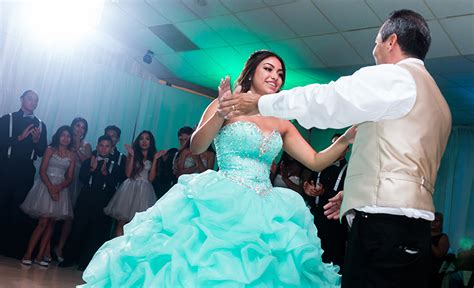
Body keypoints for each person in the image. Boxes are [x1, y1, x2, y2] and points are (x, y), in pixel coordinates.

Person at [81, 50, 355, 287]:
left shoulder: (282, 121)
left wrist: (344, 139)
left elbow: (316, 161)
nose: (276, 77)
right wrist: (221, 113)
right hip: (222, 198)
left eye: (280, 73)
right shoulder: (225, 105)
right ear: (251, 72)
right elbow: (197, 145)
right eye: (268, 69)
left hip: (265, 207)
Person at [221, 10, 452, 288]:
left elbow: (328, 100)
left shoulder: (396, 78)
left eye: (376, 43)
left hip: (384, 228)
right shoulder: (439, 101)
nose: (375, 51)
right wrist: (358, 191)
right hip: (411, 230)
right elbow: (406, 162)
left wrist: (261, 104)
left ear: (391, 41)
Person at [59, 135, 123, 271]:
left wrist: (105, 174)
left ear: (111, 148)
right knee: (78, 229)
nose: (103, 148)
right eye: (101, 145)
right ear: (97, 146)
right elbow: (82, 178)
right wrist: (92, 170)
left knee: (96, 233)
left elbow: (114, 184)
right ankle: (69, 258)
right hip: (86, 198)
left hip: (103, 201)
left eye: (107, 146)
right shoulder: (89, 161)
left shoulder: (115, 166)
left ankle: (86, 262)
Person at [0, 90, 48, 258]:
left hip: (26, 170)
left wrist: (36, 141)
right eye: (30, 99)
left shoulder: (41, 125)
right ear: (21, 99)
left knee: (19, 208)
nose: (33, 102)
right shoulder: (8, 119)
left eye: (36, 100)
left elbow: (42, 152)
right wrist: (18, 138)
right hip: (6, 167)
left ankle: (11, 249)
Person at [20, 125, 75, 266]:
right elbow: (42, 170)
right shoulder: (50, 149)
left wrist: (58, 188)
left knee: (51, 224)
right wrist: (51, 188)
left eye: (68, 136)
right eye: (63, 135)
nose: (65, 138)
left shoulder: (72, 155)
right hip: (45, 186)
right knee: (43, 222)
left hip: (60, 189)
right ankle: (28, 253)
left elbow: (70, 177)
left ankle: (40, 256)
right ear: (58, 136)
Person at [303, 133, 349, 272]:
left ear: (347, 149)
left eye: (340, 144)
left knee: (333, 258)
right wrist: (308, 188)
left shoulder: (350, 169)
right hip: (315, 217)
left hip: (335, 223)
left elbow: (348, 194)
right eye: (334, 144)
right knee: (313, 254)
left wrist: (325, 193)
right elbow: (309, 182)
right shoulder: (320, 165)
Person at [103, 131, 162, 237]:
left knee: (139, 224)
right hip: (130, 187)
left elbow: (151, 179)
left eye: (147, 139)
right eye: (141, 138)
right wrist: (132, 156)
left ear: (151, 142)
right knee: (122, 221)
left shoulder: (153, 156)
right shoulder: (133, 154)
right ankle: (117, 247)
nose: (144, 141)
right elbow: (128, 173)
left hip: (145, 190)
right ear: (138, 141)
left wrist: (155, 159)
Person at [55, 117, 92, 262]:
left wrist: (77, 149)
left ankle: (60, 248)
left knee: (69, 216)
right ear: (72, 126)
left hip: (78, 181)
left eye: (83, 127)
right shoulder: (65, 140)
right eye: (77, 126)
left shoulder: (86, 145)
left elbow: (87, 164)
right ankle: (46, 247)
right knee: (54, 212)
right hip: (62, 179)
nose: (80, 129)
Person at [430, 212, 450, 288]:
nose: (433, 222)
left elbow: (439, 254)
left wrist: (428, 240)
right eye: (431, 220)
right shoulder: (423, 235)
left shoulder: (443, 237)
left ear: (441, 223)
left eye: (436, 220)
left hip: (434, 272)